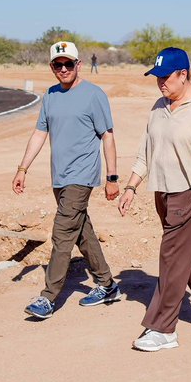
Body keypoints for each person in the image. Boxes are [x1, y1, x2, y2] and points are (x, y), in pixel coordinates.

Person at [118, 47, 191, 352]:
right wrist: (130, 187)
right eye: (156, 77)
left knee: (170, 258)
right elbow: (146, 151)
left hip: (190, 193)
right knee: (184, 254)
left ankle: (163, 328)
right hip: (163, 193)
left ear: (184, 74)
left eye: (165, 77)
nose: (160, 83)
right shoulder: (159, 106)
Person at [15, 41, 121, 319]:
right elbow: (40, 133)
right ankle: (107, 284)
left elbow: (107, 136)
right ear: (52, 67)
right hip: (59, 177)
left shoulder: (93, 95)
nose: (63, 69)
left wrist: (112, 177)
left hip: (82, 176)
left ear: (79, 64)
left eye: (68, 64)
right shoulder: (50, 95)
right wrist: (23, 168)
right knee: (81, 231)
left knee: (61, 234)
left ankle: (48, 298)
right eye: (57, 65)